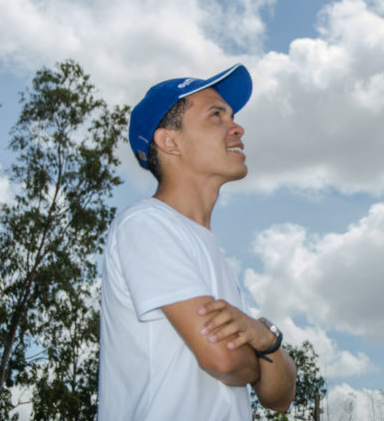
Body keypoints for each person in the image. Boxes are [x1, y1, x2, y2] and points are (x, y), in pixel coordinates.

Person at [98, 64, 296, 420]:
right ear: (170, 142)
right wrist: (261, 356)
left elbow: (280, 399)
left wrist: (266, 340)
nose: (237, 127)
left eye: (232, 116)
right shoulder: (146, 223)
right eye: (216, 116)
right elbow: (222, 359)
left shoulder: (210, 249)